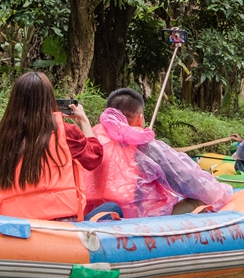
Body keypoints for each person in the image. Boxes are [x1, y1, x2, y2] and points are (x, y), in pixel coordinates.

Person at [0, 72, 121, 222]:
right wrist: (84, 120)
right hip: (58, 226)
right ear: (49, 100)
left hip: (12, 225)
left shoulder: (2, 137)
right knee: (113, 208)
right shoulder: (64, 132)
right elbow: (94, 157)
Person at [85, 88, 233, 218]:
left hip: (94, 216)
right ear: (140, 119)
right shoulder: (144, 144)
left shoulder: (90, 137)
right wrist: (223, 192)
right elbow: (194, 184)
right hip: (140, 220)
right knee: (202, 201)